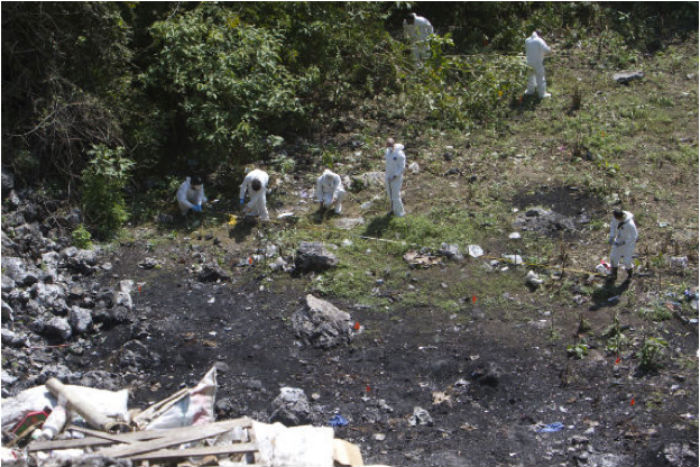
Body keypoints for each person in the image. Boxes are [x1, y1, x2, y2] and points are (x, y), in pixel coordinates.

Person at [607, 208, 638, 282]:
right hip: (619, 239)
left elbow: (635, 236)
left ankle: (630, 274)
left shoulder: (630, 224)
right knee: (613, 258)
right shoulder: (615, 219)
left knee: (626, 261)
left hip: (628, 243)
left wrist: (625, 242)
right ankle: (614, 275)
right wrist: (612, 236)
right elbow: (613, 226)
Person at [524, 30, 552, 99]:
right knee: (540, 78)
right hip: (537, 62)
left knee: (530, 77)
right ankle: (542, 94)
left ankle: (530, 91)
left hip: (529, 62)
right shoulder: (539, 40)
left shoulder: (527, 40)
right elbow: (546, 50)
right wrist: (550, 49)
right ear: (540, 34)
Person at [384, 138, 406, 217]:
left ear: (393, 145)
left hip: (396, 178)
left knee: (396, 196)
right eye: (387, 145)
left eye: (390, 145)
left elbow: (402, 167)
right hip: (388, 176)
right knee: (390, 195)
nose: (388, 147)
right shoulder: (387, 152)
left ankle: (400, 213)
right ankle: (393, 210)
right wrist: (387, 175)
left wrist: (395, 175)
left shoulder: (399, 154)